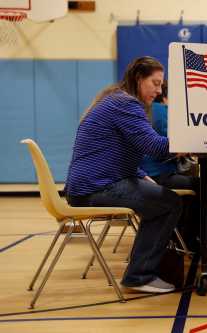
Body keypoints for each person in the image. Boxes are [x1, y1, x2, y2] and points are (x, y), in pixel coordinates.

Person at [65, 56, 182, 293]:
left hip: (92, 184)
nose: (159, 91)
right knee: (169, 202)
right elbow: (155, 147)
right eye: (155, 83)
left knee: (164, 199)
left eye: (161, 85)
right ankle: (139, 276)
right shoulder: (125, 104)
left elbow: (114, 149)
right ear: (139, 79)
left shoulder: (117, 99)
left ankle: (145, 269)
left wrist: (139, 173)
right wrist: (188, 141)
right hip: (93, 188)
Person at [140, 81, 202, 252]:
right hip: (157, 174)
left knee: (191, 182)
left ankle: (180, 236)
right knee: (199, 185)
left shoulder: (148, 109)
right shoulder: (162, 111)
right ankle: (190, 241)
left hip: (146, 173)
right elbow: (174, 144)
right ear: (166, 97)